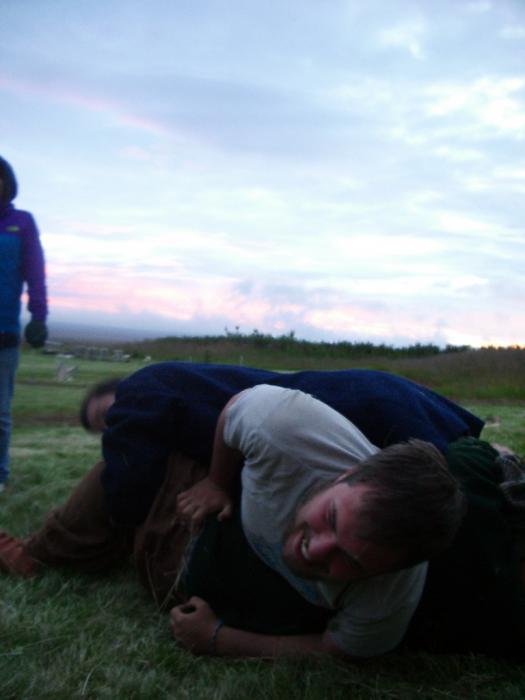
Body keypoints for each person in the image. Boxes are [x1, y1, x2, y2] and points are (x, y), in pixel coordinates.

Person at [0, 383, 523, 660]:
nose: (317, 549)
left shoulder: (393, 594)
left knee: (126, 528)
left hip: (181, 567)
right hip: (201, 500)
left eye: (350, 561)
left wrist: (219, 639)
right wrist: (217, 482)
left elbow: (337, 649)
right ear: (347, 473)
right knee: (125, 468)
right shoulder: (291, 428)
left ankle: (93, 543)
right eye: (331, 518)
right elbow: (234, 412)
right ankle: (40, 551)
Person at [77, 361, 484, 527]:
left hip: (361, 407)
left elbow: (128, 484)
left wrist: (113, 520)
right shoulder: (169, 395)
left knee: (452, 492)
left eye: (105, 416)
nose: (113, 428)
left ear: (117, 390)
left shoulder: (139, 390)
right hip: (371, 393)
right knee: (466, 462)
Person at [0, 155, 48, 491]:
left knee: (0, 412)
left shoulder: (22, 222)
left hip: (4, 331)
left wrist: (39, 316)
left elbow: (35, 271)